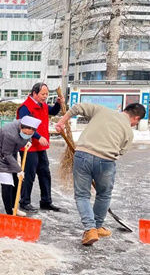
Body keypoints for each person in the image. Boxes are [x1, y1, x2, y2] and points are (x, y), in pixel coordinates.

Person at [55, 102, 145, 245]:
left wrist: (61, 122)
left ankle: (92, 229)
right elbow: (121, 152)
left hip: (83, 155)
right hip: (106, 161)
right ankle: (94, 227)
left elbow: (77, 108)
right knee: (104, 194)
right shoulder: (128, 132)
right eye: (137, 122)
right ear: (136, 118)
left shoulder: (102, 110)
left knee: (82, 195)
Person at [16, 82, 64, 213]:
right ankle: (24, 201)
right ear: (34, 93)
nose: (45, 97)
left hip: (41, 147)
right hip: (29, 146)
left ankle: (46, 201)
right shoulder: (26, 107)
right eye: (43, 94)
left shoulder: (42, 105)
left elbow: (53, 111)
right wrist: (38, 137)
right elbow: (25, 126)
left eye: (47, 94)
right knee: (29, 175)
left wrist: (58, 104)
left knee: (45, 173)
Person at [0, 116, 42, 216]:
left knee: (16, 182)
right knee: (7, 184)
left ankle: (14, 207)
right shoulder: (10, 133)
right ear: (21, 127)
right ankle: (9, 213)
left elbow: (29, 135)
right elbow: (6, 153)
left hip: (9, 156)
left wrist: (29, 141)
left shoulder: (27, 124)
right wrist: (19, 169)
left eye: (29, 134)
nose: (26, 135)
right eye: (24, 133)